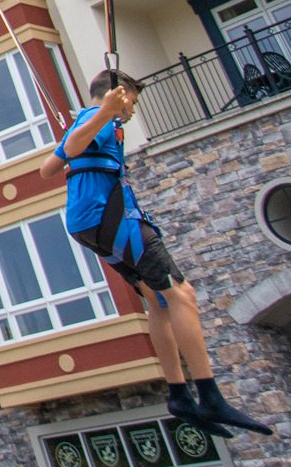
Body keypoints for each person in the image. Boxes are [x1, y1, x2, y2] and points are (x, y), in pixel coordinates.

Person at [39, 69, 272, 438]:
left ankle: (179, 394)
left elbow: (50, 167)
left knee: (158, 300)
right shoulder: (96, 117)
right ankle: (209, 394)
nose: (132, 111)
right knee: (181, 293)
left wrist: (95, 128)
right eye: (132, 102)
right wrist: (105, 113)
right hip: (110, 216)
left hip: (87, 222)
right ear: (120, 94)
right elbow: (65, 154)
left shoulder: (92, 123)